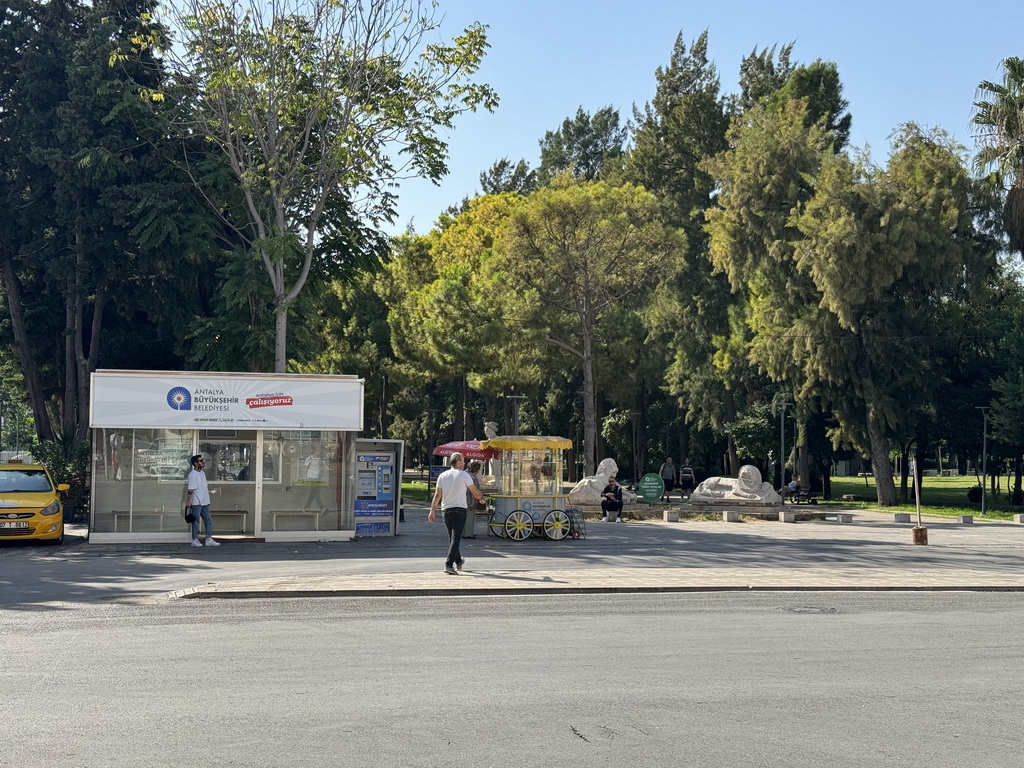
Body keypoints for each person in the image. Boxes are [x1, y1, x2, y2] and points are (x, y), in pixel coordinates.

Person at [428, 452, 484, 575]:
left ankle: (458, 561)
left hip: (446, 510)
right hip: (459, 510)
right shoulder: (464, 475)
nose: (464, 463)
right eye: (463, 461)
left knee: (452, 537)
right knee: (456, 537)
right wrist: (481, 498)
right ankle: (448, 564)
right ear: (458, 462)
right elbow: (474, 491)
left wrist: (432, 511)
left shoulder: (442, 476)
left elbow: (437, 495)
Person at [186, 454, 218, 547]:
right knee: (196, 521)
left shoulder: (202, 473)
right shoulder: (192, 475)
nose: (203, 462)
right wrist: (188, 502)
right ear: (195, 463)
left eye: (203, 460)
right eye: (201, 461)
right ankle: (194, 539)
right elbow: (190, 490)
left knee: (208, 520)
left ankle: (209, 538)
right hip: (196, 501)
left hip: (205, 501)